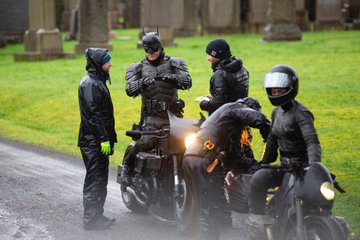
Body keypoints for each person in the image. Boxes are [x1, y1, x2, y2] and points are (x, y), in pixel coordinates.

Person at [247, 65, 322, 239]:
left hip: (301, 167)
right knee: (258, 178)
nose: (275, 91)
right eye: (273, 89)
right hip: (284, 166)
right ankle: (259, 222)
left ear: (291, 88)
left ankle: (298, 225)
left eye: (280, 88)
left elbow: (312, 141)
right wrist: (264, 163)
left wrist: (313, 166)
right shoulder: (276, 112)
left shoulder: (301, 113)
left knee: (290, 199)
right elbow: (272, 140)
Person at [182, 97, 271, 240]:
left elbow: (233, 158)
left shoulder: (228, 123)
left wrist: (255, 165)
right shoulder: (235, 108)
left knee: (199, 205)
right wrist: (269, 134)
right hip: (204, 159)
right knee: (208, 206)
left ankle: (191, 235)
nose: (246, 128)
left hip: (193, 157)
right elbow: (258, 119)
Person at [120, 30, 192, 187]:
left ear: (160, 47)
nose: (151, 53)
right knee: (144, 142)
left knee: (187, 146)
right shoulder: (137, 67)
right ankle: (126, 168)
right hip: (151, 117)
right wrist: (142, 83)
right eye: (147, 50)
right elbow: (129, 89)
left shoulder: (175, 63)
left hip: (173, 116)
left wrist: (173, 78)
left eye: (154, 50)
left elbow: (187, 82)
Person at [78, 48, 117, 230]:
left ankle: (97, 215)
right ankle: (91, 219)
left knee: (101, 178)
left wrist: (109, 138)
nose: (110, 64)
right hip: (93, 141)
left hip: (97, 139)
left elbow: (102, 114)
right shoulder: (90, 84)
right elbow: (94, 116)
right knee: (95, 179)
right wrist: (103, 138)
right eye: (107, 61)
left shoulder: (96, 81)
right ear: (98, 64)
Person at [198, 38, 249, 116]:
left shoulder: (220, 74)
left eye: (210, 55)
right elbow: (234, 93)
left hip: (225, 118)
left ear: (217, 54)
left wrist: (203, 103)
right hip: (241, 113)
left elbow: (218, 103)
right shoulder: (242, 69)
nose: (208, 58)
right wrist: (214, 97)